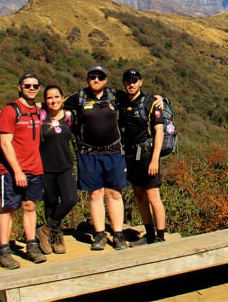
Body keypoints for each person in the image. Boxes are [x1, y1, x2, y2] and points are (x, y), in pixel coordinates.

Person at [63, 65, 128, 251]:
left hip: (113, 151)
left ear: (106, 80)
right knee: (95, 194)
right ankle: (99, 234)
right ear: (87, 79)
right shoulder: (78, 97)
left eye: (100, 77)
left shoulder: (115, 96)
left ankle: (118, 234)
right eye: (93, 77)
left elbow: (137, 98)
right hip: (88, 153)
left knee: (115, 193)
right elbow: (54, 103)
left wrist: (157, 99)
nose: (96, 80)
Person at [0, 73, 47, 269]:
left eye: (35, 85)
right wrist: (17, 171)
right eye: (27, 85)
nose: (31, 88)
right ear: (19, 87)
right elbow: (5, 143)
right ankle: (4, 250)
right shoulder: (10, 110)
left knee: (29, 207)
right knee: (8, 208)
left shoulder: (37, 110)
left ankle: (31, 245)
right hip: (12, 170)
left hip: (35, 167)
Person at [118, 68, 168, 244]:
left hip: (147, 154)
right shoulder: (121, 100)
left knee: (153, 195)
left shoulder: (150, 103)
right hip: (131, 154)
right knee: (139, 194)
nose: (131, 84)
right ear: (124, 83)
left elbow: (159, 132)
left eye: (134, 81)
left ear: (141, 82)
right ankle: (149, 234)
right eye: (128, 81)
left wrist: (155, 159)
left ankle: (160, 236)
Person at [35, 85, 79, 255]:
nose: (53, 100)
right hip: (45, 167)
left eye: (56, 97)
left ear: (62, 98)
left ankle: (45, 229)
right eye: (49, 98)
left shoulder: (69, 117)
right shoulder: (40, 116)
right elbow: (20, 110)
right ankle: (56, 235)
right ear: (45, 100)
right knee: (51, 202)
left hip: (65, 166)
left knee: (71, 199)